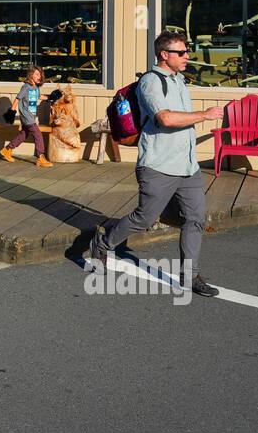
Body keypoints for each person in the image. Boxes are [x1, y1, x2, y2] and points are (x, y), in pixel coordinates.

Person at [89, 30, 226, 297]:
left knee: (195, 218)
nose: (187, 56)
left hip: (187, 166)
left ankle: (190, 276)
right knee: (144, 218)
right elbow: (165, 118)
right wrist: (204, 115)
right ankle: (103, 242)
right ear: (165, 55)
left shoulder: (179, 80)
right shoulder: (151, 82)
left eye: (187, 51)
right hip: (158, 165)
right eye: (181, 52)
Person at [1, 64, 52, 167]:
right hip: (26, 116)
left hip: (31, 116)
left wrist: (50, 97)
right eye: (37, 74)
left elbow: (39, 96)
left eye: (40, 74)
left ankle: (7, 150)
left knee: (24, 135)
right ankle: (40, 157)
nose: (39, 76)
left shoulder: (36, 87)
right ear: (30, 75)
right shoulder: (26, 87)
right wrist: (12, 112)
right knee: (38, 134)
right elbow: (18, 99)